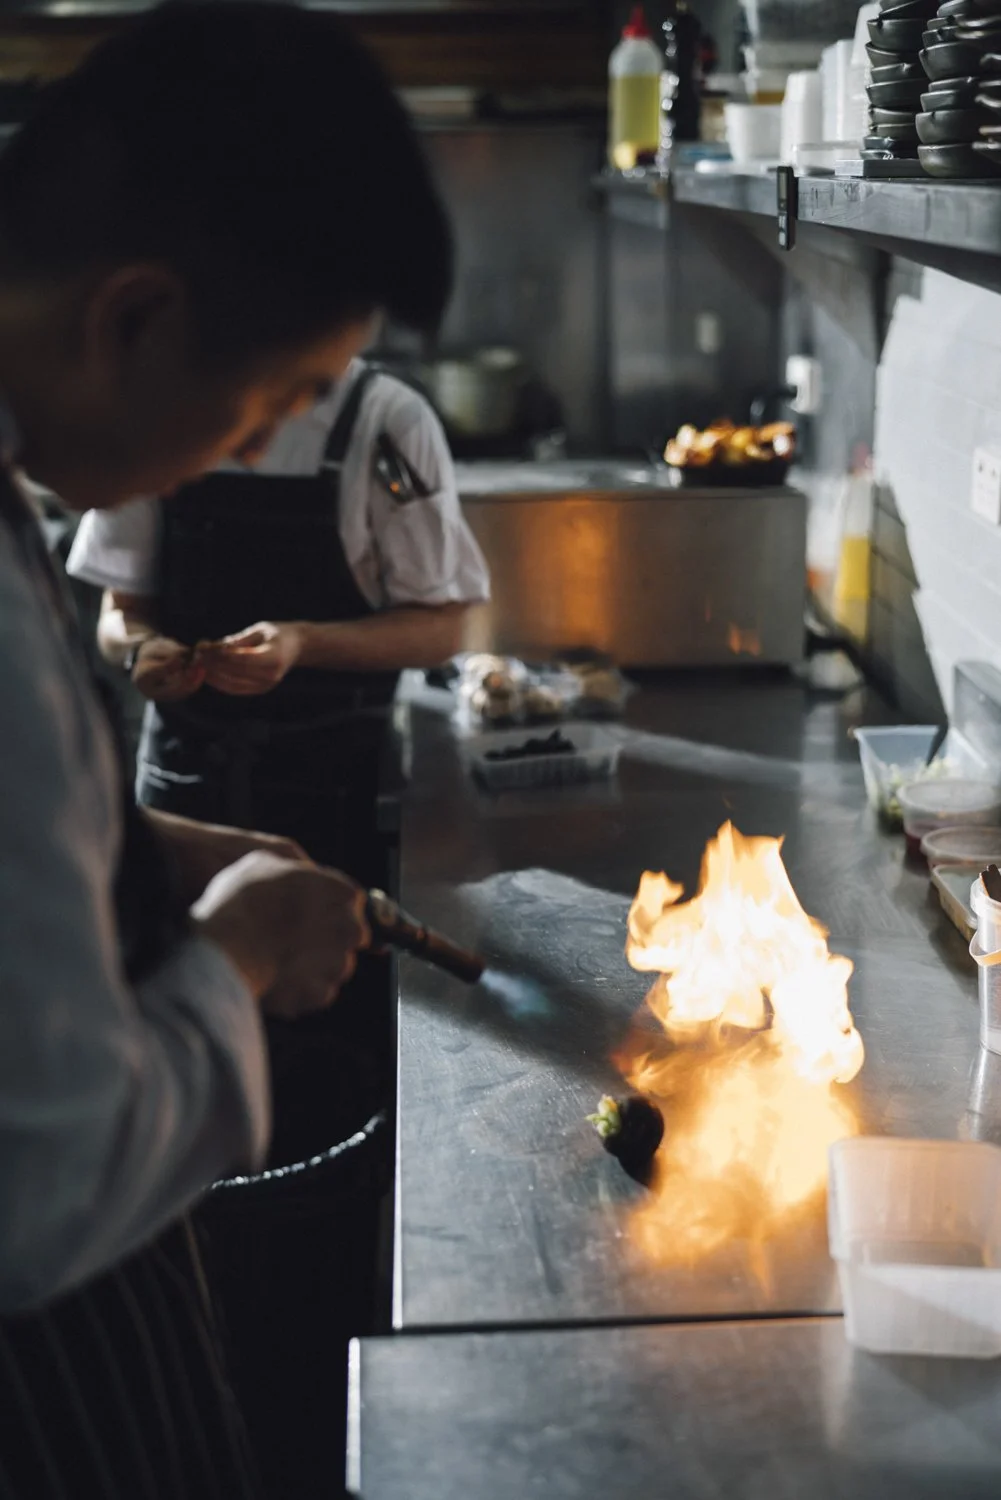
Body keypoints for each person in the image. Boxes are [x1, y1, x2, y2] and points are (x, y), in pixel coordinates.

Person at [0, 3, 452, 1497]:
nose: (249, 450)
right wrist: (241, 950)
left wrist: (166, 850)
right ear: (134, 319)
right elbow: (42, 1184)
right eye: (261, 405)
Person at [67, 361, 490, 890]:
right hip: (183, 785)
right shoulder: (154, 407)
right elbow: (121, 611)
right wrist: (140, 649)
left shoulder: (385, 418)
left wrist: (303, 643)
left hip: (336, 789)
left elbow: (443, 630)